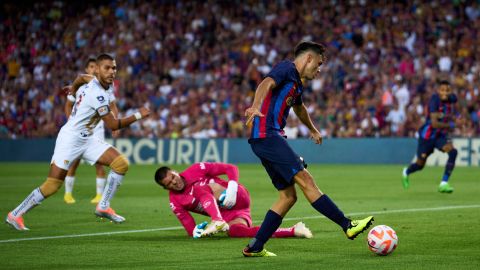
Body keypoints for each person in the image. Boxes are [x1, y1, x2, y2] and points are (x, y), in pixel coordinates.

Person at [243, 41, 374, 257]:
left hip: (267, 138)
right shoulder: (287, 68)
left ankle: (255, 246)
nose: (320, 69)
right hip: (268, 135)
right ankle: (347, 225)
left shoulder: (297, 84)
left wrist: (313, 129)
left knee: (287, 197)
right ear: (309, 58)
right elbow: (266, 83)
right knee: (306, 180)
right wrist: (256, 106)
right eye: (319, 63)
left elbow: (299, 108)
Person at [5, 53, 150, 230]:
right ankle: (15, 214)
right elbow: (113, 124)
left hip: (87, 139)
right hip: (70, 139)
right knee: (52, 185)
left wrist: (73, 89)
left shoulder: (94, 81)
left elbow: (81, 77)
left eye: (114, 68)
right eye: (107, 68)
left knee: (121, 164)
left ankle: (103, 206)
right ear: (97, 69)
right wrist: (138, 115)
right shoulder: (98, 94)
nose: (112, 71)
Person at [154, 162, 313, 239]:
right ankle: (293, 230)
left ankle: (216, 220)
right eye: (169, 184)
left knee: (199, 189)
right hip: (231, 214)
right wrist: (198, 231)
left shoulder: (196, 169)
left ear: (175, 172)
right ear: (166, 188)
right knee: (236, 232)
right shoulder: (175, 202)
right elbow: (191, 229)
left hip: (237, 196)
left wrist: (232, 187)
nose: (174, 182)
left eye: (173, 177)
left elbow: (231, 168)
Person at [63, 58, 119, 204]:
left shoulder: (106, 87)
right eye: (91, 67)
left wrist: (115, 121)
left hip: (97, 129)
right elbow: (68, 105)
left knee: (99, 162)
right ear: (87, 69)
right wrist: (71, 122)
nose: (94, 69)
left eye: (96, 67)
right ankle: (68, 194)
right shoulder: (81, 87)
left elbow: (112, 106)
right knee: (74, 161)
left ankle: (99, 196)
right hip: (79, 130)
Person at [402, 80, 458, 193]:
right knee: (420, 165)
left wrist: (457, 117)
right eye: (442, 90)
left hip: (439, 136)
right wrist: (452, 124)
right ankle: (406, 172)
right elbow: (434, 123)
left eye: (447, 90)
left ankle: (444, 183)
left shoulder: (452, 98)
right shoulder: (434, 100)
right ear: (438, 91)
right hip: (426, 137)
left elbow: (453, 110)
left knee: (453, 152)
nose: (445, 93)